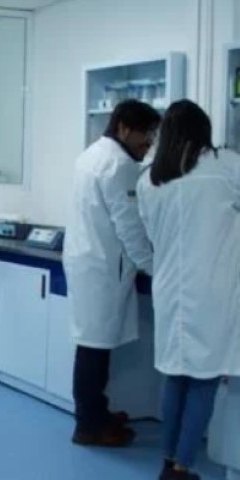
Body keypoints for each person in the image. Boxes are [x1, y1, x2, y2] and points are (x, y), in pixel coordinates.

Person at [136, 99, 240, 480]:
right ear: (204, 131)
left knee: (176, 376)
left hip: (170, 288)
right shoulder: (225, 165)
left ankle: (168, 464)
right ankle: (182, 473)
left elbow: (151, 230)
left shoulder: (151, 178)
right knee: (203, 379)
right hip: (210, 292)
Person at [62, 99, 158, 448]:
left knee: (92, 345)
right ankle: (89, 425)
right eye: (145, 135)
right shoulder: (119, 165)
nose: (148, 143)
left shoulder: (91, 155)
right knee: (95, 349)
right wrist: (154, 266)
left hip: (89, 260)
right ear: (123, 128)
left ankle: (96, 413)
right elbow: (129, 226)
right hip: (102, 267)